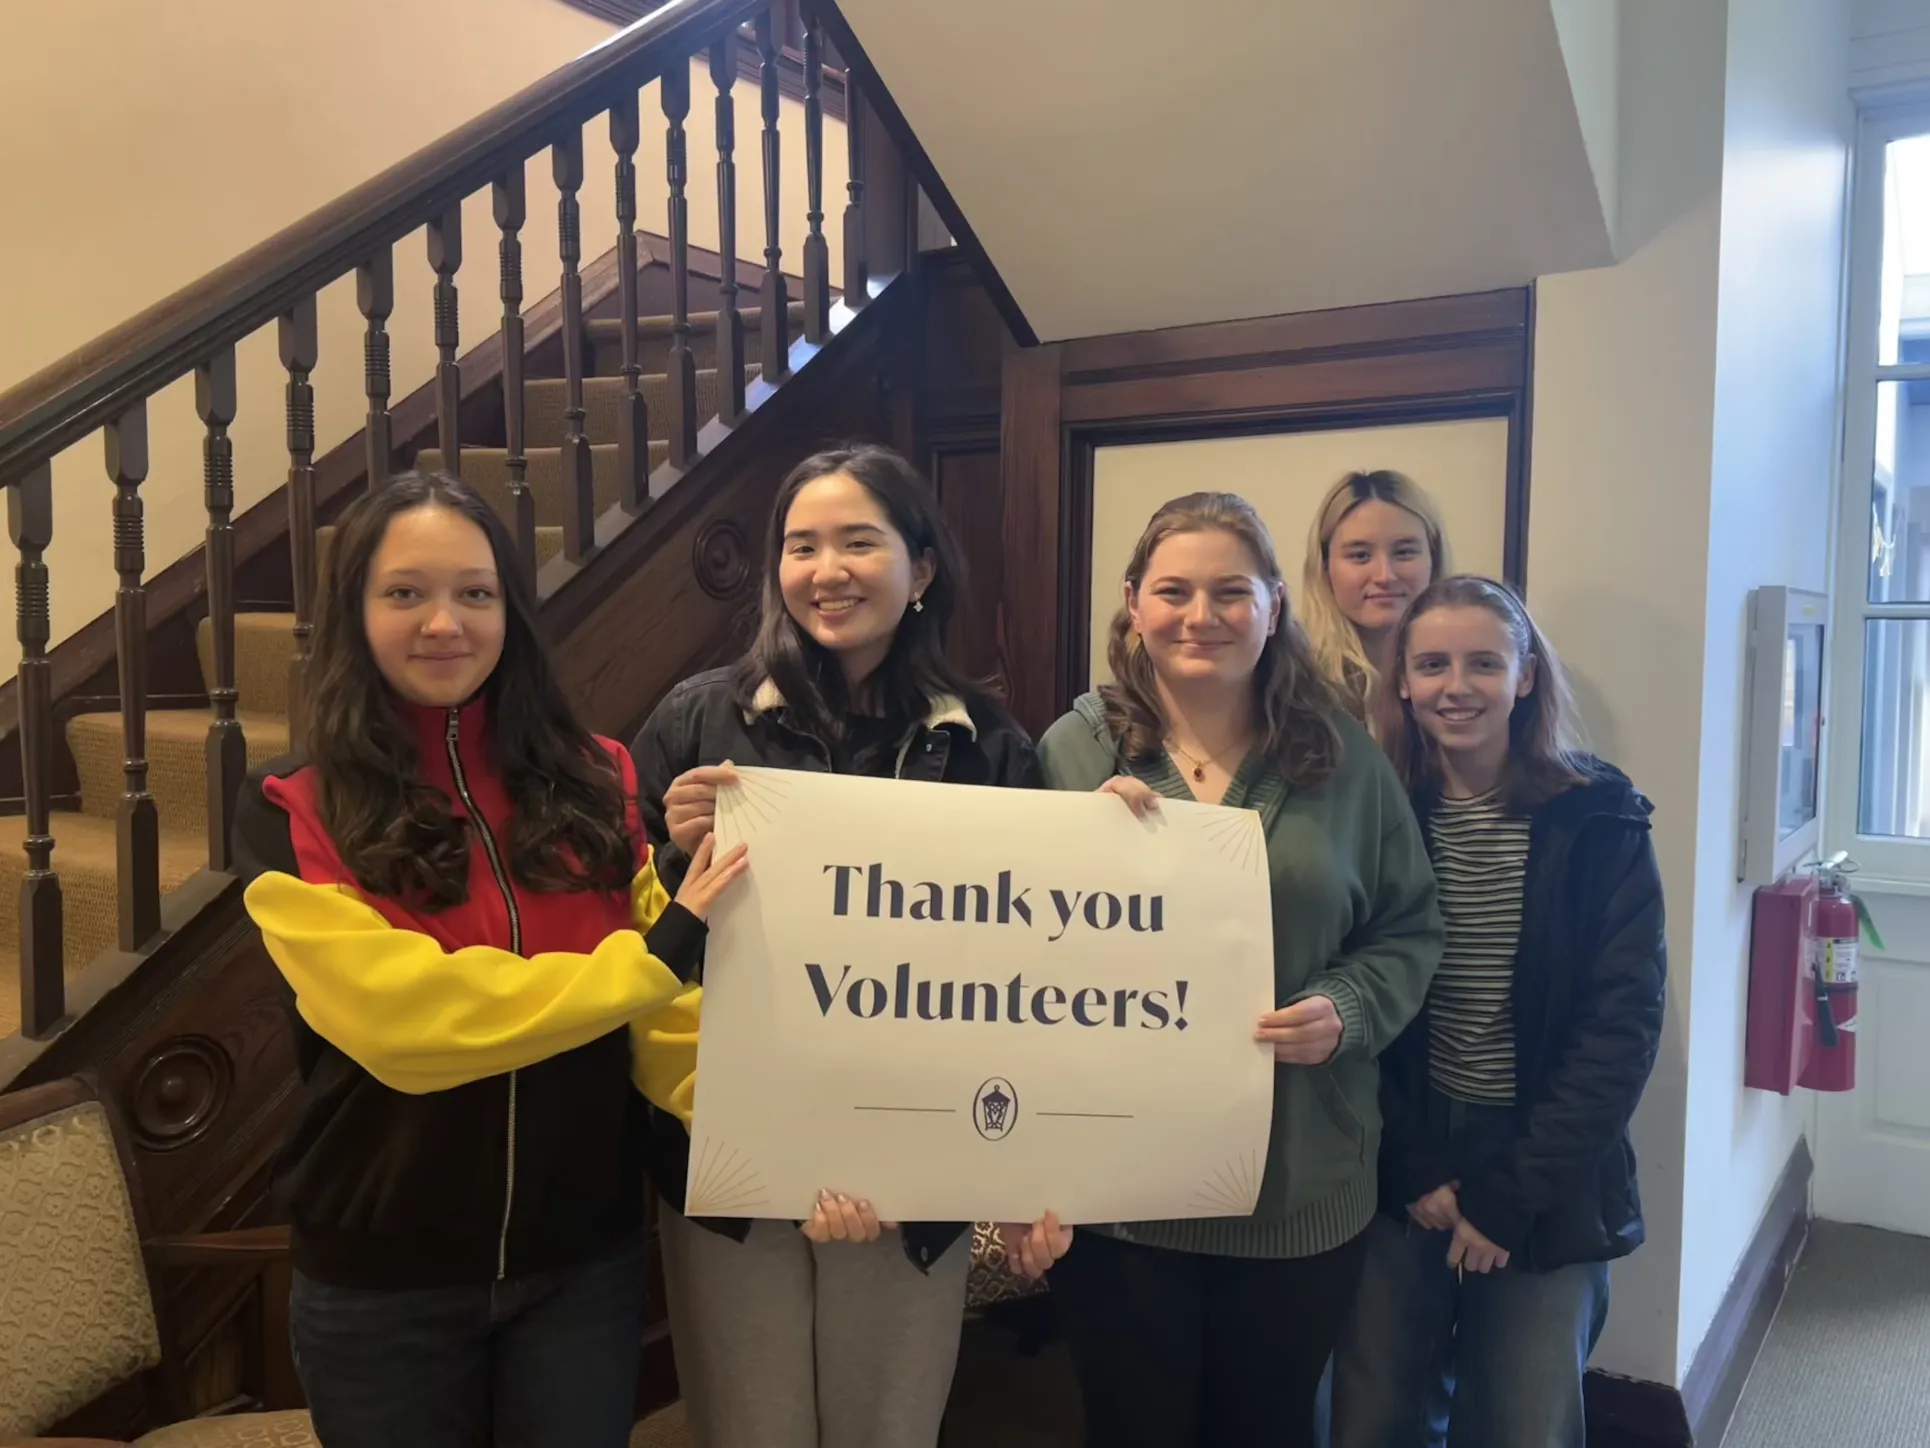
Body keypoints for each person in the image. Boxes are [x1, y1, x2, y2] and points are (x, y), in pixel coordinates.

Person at [231, 472, 749, 1448]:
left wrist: (799, 1142)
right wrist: (652, 957)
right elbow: (408, 1020)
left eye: (475, 592)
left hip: (581, 1265)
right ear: (355, 611)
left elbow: (668, 1025)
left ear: (512, 608)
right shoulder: (292, 804)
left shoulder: (602, 776)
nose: (443, 622)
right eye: (404, 593)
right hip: (383, 1280)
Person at [630, 443, 1067, 1448]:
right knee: (750, 1428)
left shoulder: (991, 745)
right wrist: (671, 846)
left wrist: (1116, 836)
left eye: (859, 541)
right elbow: (630, 946)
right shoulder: (699, 721)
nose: (826, 569)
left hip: (915, 1168)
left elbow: (1033, 971)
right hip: (729, 1158)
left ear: (921, 569)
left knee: (886, 1430)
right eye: (801, 545)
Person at [1036, 490, 1442, 1448]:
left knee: (1265, 1430)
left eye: (1230, 591)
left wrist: (1346, 1006)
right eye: (1172, 590)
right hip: (1120, 1194)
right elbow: (1009, 956)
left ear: (1273, 606)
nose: (1200, 615)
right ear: (1133, 603)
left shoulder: (1342, 754)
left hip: (1297, 1185)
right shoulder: (1070, 751)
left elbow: (1410, 927)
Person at [1328, 575, 1667, 1448]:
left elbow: (1619, 1033)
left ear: (1525, 677)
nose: (1457, 685)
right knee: (1372, 1417)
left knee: (1522, 1424)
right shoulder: (1375, 812)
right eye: (1432, 664)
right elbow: (1355, 999)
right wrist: (1412, 1161)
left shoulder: (1601, 819)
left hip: (1547, 1166)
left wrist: (1507, 1199)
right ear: (1401, 681)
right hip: (1405, 1158)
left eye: (1485, 662)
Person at [1299, 469, 1449, 724]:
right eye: (1360, 556)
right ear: (1325, 568)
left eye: (1403, 553)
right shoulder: (1295, 684)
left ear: (1433, 559)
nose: (1384, 576)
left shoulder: (1467, 675)